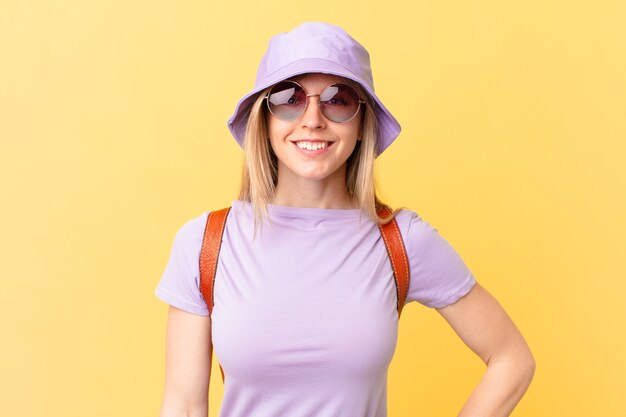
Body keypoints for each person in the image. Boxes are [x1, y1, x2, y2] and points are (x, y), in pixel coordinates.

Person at [154, 22, 535, 417]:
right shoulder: (204, 243)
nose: (313, 119)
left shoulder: (400, 241)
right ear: (264, 122)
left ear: (361, 125)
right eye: (289, 98)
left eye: (338, 100)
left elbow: (511, 359)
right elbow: (182, 405)